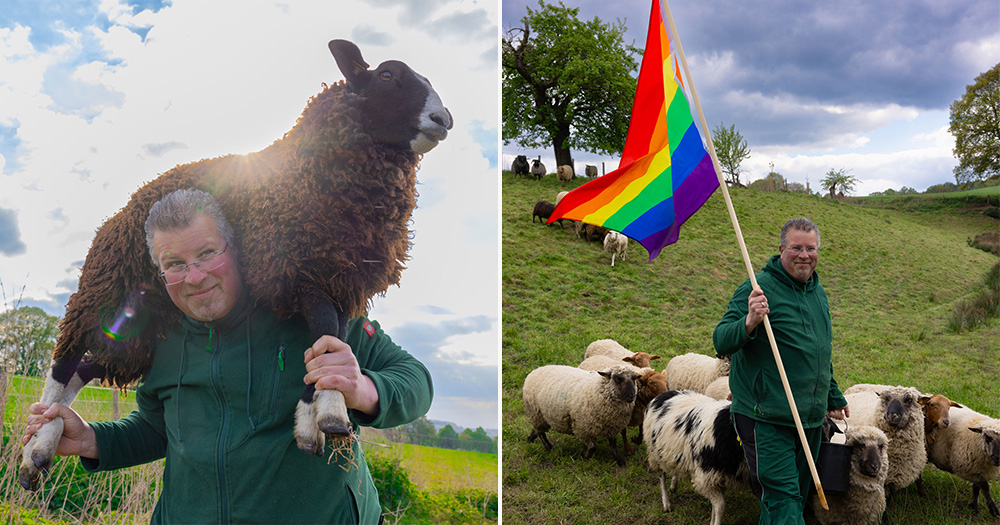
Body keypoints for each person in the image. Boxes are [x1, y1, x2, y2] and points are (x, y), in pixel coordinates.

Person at [22, 188, 433, 524]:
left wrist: (362, 389)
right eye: (175, 264)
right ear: (160, 273)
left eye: (206, 254)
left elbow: (415, 380)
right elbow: (159, 429)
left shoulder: (311, 311)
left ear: (235, 249)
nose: (195, 277)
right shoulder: (161, 338)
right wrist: (93, 439)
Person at [712, 217, 848, 525]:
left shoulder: (818, 294)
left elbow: (817, 352)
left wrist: (833, 394)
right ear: (781, 249)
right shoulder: (757, 288)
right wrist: (749, 321)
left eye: (810, 248)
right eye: (796, 248)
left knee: (791, 500)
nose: (804, 255)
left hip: (809, 421)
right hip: (766, 418)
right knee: (784, 501)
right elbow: (721, 340)